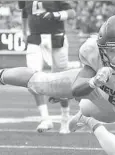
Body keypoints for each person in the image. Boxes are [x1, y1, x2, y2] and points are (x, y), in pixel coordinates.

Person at [0, 15, 115, 126]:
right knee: (42, 82)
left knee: (86, 109)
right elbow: (77, 88)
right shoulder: (93, 52)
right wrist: (93, 82)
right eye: (111, 52)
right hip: (99, 92)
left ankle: (83, 117)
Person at [18, 1, 76, 134]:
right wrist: (23, 31)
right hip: (34, 39)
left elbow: (72, 13)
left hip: (56, 39)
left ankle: (65, 119)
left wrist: (56, 15)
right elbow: (24, 12)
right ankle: (45, 119)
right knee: (32, 78)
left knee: (61, 81)